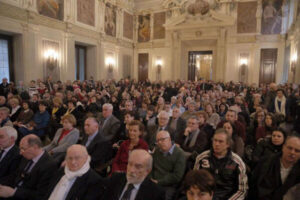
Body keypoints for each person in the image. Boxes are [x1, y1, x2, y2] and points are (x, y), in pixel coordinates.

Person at [194, 128, 248, 200]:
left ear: (227, 144)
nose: (216, 144)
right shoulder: (201, 158)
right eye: (215, 140)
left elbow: (242, 190)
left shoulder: (237, 162)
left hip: (227, 196)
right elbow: (194, 182)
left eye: (220, 141)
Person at [0, 134, 57, 199]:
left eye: (23, 149)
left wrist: (14, 192)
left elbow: (41, 194)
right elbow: (15, 175)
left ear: (35, 147)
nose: (21, 152)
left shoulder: (49, 166)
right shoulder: (26, 157)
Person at [250, 134, 300, 200]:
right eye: (289, 148)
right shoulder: (265, 162)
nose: (292, 152)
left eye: (297, 151)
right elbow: (253, 185)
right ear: (283, 147)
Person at [151, 130, 186, 200]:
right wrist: (150, 179)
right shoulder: (157, 151)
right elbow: (150, 167)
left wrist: (159, 182)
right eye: (158, 141)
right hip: (153, 181)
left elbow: (177, 176)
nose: (160, 143)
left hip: (168, 185)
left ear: (169, 139)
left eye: (163, 139)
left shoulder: (180, 154)